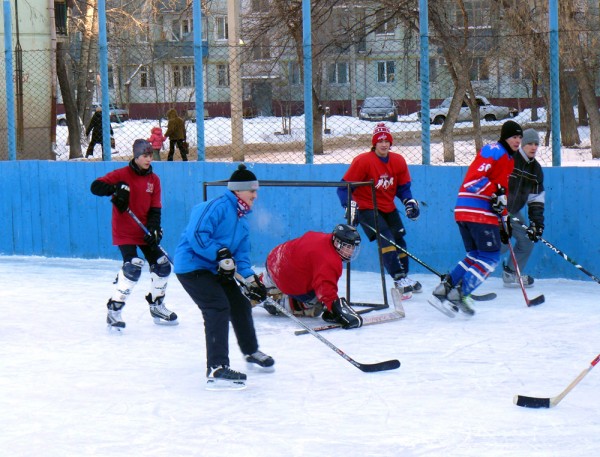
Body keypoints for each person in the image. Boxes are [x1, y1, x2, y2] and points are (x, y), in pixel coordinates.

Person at [174, 164, 274, 390]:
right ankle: (216, 367)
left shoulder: (242, 221)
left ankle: (250, 351)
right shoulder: (215, 206)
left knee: (240, 303)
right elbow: (197, 234)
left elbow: (242, 256)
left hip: (218, 269)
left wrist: (250, 281)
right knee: (218, 306)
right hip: (192, 267)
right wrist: (217, 254)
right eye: (252, 191)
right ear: (238, 190)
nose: (255, 196)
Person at [430, 120, 523, 317]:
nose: (518, 141)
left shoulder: (508, 158)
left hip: (467, 211)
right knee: (490, 256)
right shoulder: (494, 150)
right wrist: (495, 195)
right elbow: (474, 180)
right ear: (505, 137)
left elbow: (500, 193)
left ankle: (446, 288)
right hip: (476, 212)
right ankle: (461, 292)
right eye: (514, 136)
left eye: (520, 137)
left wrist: (504, 220)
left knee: (475, 254)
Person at [90, 139, 178, 329]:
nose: (149, 159)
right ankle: (114, 310)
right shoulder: (122, 174)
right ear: (136, 157)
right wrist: (115, 189)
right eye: (145, 156)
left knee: (162, 266)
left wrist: (154, 230)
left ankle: (156, 305)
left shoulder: (154, 180)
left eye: (151, 156)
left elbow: (155, 208)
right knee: (133, 268)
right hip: (125, 231)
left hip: (144, 230)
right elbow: (95, 186)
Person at [337, 122, 421, 299]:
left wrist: (409, 202)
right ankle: (398, 279)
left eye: (386, 141)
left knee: (399, 240)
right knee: (386, 239)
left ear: (391, 143)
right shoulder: (363, 161)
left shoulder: (398, 161)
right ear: (374, 143)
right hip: (366, 208)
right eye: (380, 141)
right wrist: (349, 206)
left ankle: (404, 277)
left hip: (388, 207)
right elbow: (343, 187)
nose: (383, 144)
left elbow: (403, 187)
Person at [259, 224, 363, 329]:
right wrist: (336, 309)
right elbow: (325, 292)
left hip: (274, 259)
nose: (351, 251)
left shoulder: (321, 236)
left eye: (353, 247)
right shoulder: (330, 261)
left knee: (286, 272)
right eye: (348, 247)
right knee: (316, 304)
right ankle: (281, 304)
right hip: (286, 279)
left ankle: (261, 282)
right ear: (337, 243)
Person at [501, 128, 545, 288]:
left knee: (527, 241)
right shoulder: (510, 159)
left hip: (514, 212)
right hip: (498, 210)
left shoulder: (536, 170)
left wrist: (536, 224)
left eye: (536, 144)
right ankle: (472, 266)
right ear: (522, 144)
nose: (533, 147)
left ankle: (510, 273)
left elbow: (536, 199)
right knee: (502, 244)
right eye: (529, 144)